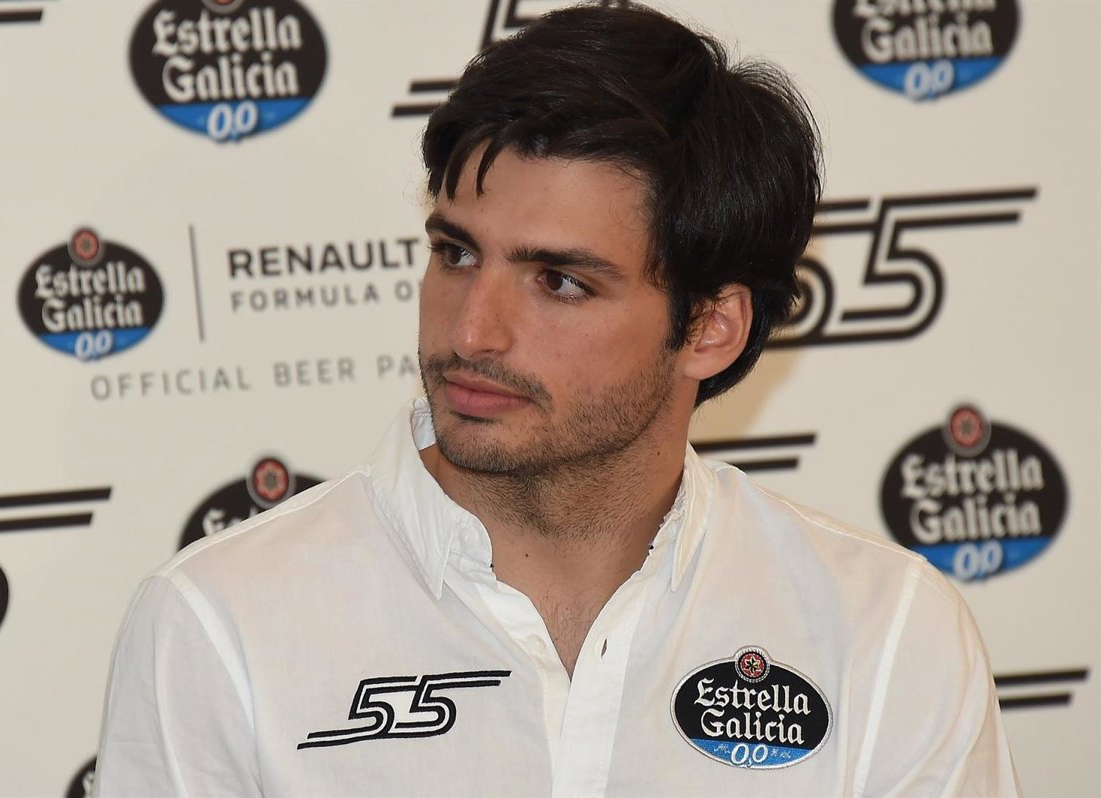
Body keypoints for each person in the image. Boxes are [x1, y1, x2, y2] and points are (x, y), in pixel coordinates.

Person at [95, 4, 1020, 795]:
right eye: (456, 253)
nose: (472, 332)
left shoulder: (884, 632)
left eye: (560, 282)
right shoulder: (220, 625)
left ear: (710, 328)